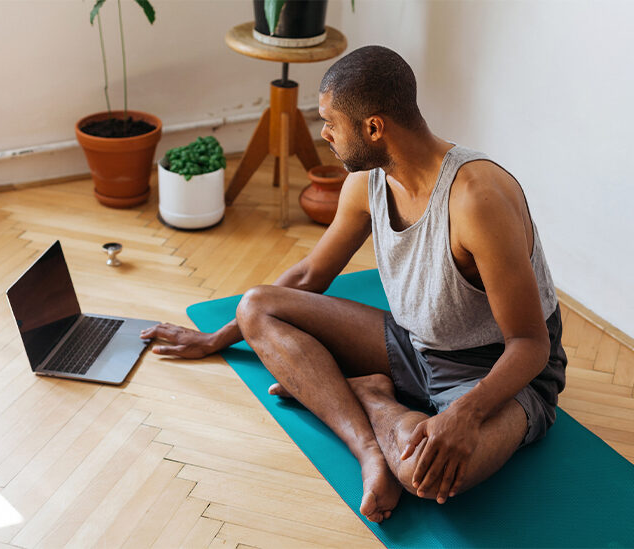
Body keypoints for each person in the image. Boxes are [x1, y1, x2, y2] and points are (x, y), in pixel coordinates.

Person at [140, 45, 567, 524]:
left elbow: (531, 344)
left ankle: (369, 395)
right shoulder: (367, 182)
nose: (324, 134)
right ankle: (368, 448)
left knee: (425, 477)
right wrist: (215, 338)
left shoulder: (476, 199)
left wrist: (464, 415)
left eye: (331, 123)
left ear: (374, 127)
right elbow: (307, 278)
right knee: (257, 306)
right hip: (415, 343)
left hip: (496, 370)